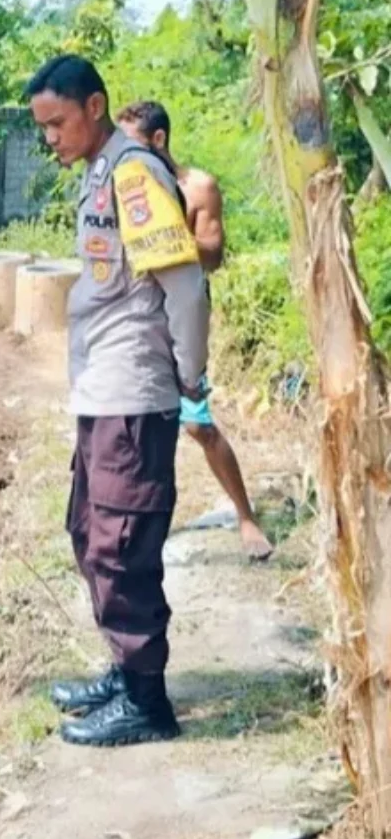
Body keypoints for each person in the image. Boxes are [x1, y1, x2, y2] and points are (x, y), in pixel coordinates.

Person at [26, 54, 211, 747]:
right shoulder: (102, 171)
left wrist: (190, 374)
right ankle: (124, 670)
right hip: (104, 390)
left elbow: (185, 286)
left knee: (121, 543)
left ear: (95, 107)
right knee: (90, 530)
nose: (51, 138)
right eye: (43, 127)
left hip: (133, 392)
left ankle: (147, 703)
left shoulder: (134, 175)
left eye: (58, 123)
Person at [117, 100, 274, 563]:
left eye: (132, 144)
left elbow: (213, 254)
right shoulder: (126, 186)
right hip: (138, 317)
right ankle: (138, 523)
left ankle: (246, 518)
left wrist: (168, 239)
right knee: (135, 422)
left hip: (183, 312)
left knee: (197, 422)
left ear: (159, 139)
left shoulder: (197, 187)